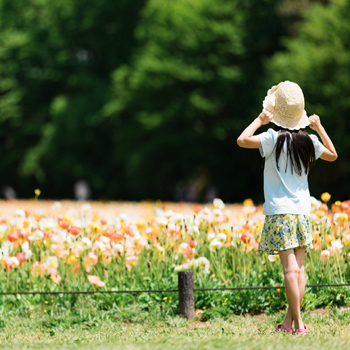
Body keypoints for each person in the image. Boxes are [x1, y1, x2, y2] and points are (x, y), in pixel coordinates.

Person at [237, 81, 337, 335]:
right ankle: (287, 323)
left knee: (290, 270)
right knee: (299, 270)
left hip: (280, 211)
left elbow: (242, 140)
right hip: (303, 211)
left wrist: (259, 120)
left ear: (276, 112)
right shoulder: (309, 141)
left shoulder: (272, 138)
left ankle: (299, 324)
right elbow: (333, 154)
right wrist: (319, 127)